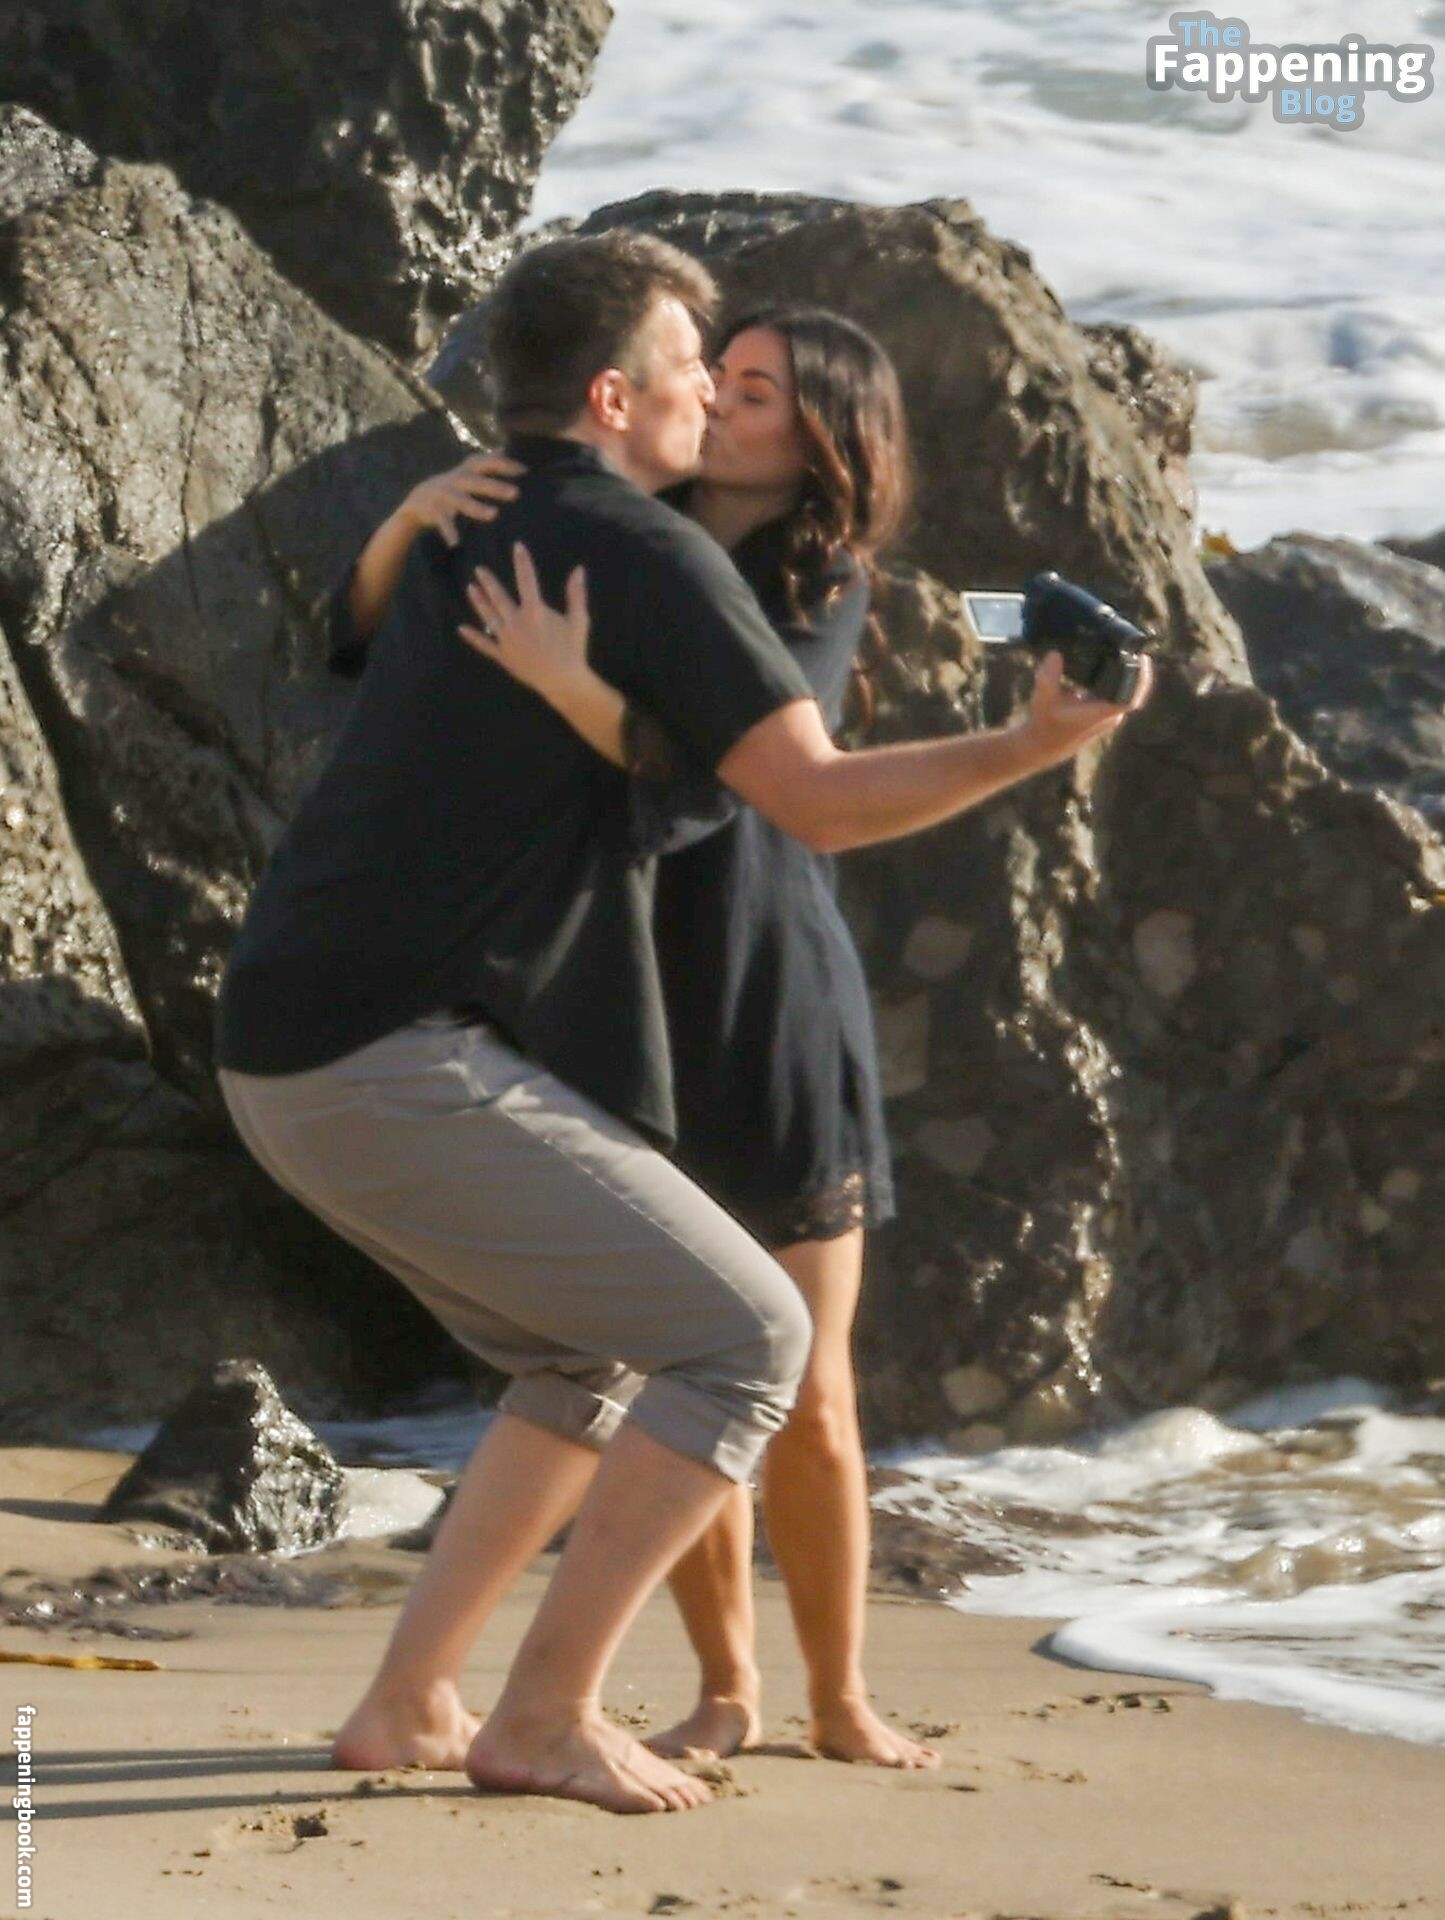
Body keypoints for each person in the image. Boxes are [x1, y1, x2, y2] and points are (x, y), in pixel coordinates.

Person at [214, 229, 1152, 1819]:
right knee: (749, 1339)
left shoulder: (485, 511)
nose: (710, 394)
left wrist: (411, 522)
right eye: (690, 370)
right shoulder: (645, 552)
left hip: (293, 1043)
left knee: (586, 1354)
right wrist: (1028, 745)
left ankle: (412, 1698)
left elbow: (383, 645)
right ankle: (546, 1715)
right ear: (612, 395)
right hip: (388, 1053)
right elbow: (814, 803)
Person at [328, 305, 941, 1771]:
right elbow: (361, 642)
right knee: (686, 1348)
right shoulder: (626, 529)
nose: (719, 402)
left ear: (823, 434)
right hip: (619, 980)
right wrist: (408, 515)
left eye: (757, 392)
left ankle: (840, 1697)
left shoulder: (815, 578)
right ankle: (726, 1688)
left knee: (807, 1382)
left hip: (762, 981)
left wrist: (572, 687)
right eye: (716, 377)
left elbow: (722, 785)